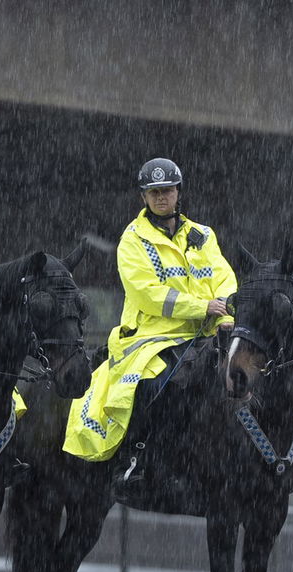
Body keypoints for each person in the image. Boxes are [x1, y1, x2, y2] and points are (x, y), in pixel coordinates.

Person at [64, 156, 236, 484]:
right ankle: (136, 458)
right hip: (151, 337)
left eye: (167, 190)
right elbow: (148, 294)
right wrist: (202, 307)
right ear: (143, 197)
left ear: (178, 192)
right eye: (154, 192)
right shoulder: (133, 240)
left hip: (207, 333)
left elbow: (224, 278)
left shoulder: (203, 235)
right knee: (152, 386)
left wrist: (226, 311)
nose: (161, 197)